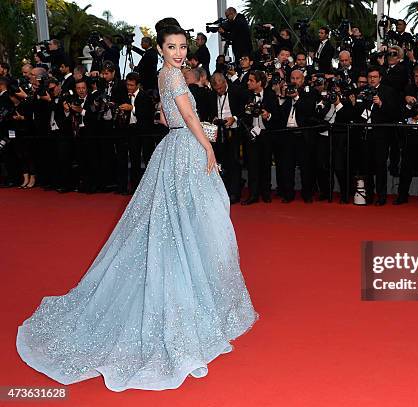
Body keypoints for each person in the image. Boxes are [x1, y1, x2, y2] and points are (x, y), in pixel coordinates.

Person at [16, 18, 259, 392]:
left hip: (176, 149)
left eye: (183, 47)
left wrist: (196, 130)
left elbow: (170, 118)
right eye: (172, 47)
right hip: (187, 154)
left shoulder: (164, 77)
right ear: (160, 48)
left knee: (184, 225)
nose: (179, 53)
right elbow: (189, 116)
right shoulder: (175, 78)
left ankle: (197, 288)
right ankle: (197, 297)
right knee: (202, 225)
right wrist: (208, 144)